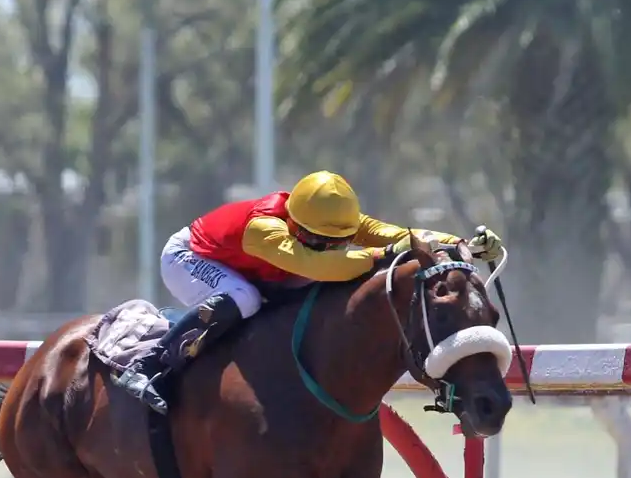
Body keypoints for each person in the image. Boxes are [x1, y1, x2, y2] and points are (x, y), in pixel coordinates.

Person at [131, 170, 504, 414]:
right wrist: (379, 255)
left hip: (242, 266)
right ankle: (153, 366)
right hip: (189, 257)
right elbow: (316, 265)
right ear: (294, 220)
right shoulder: (265, 228)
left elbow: (399, 236)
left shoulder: (332, 221)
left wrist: (460, 242)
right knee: (245, 298)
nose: (326, 246)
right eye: (315, 240)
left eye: (336, 241)